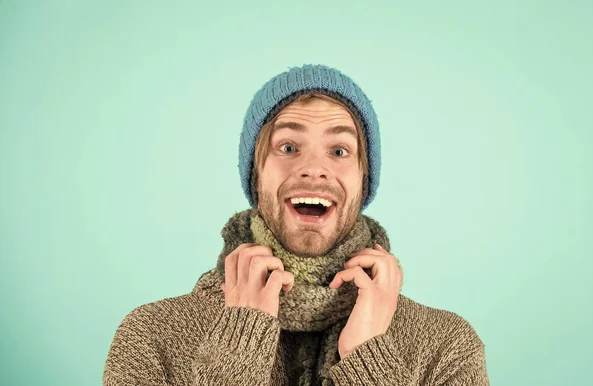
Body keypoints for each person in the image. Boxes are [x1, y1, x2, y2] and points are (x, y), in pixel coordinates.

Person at [103, 64, 489, 386]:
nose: (314, 169)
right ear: (256, 176)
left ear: (363, 179)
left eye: (339, 151)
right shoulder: (151, 336)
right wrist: (239, 344)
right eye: (288, 148)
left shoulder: (446, 345)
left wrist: (369, 357)